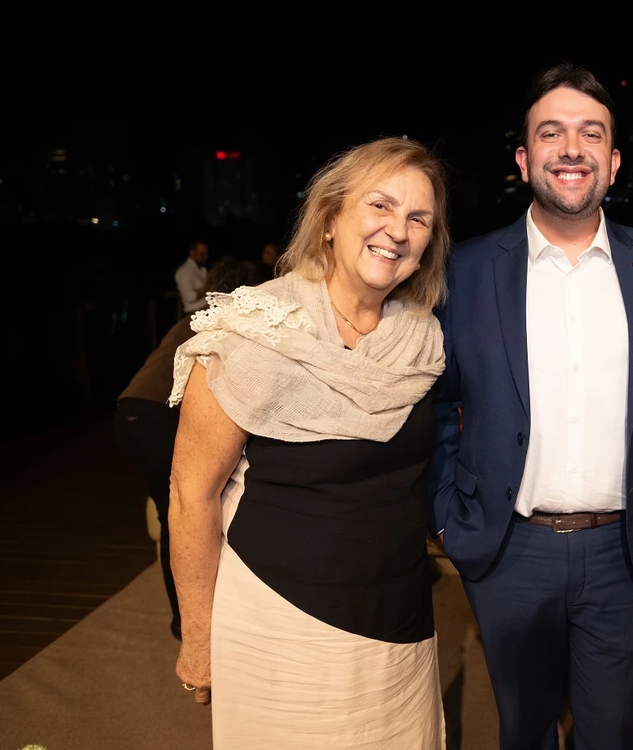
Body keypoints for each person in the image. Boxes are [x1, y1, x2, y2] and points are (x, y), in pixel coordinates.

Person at [429, 61, 633, 750]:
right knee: (522, 730)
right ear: (524, 159)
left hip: (629, 549)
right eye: (551, 134)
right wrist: (450, 517)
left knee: (611, 733)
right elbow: (436, 405)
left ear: (612, 162)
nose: (570, 148)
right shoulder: (464, 270)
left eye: (589, 134)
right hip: (509, 550)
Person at [167, 136, 451, 749]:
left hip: (399, 624)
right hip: (278, 624)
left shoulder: (422, 339)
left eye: (418, 217)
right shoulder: (252, 328)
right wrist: (198, 635)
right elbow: (192, 493)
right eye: (380, 206)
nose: (396, 230)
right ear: (329, 220)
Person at [112, 256, 263, 640]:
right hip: (154, 418)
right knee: (182, 516)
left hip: (127, 414)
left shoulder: (191, 321)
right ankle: (189, 623)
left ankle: (189, 617)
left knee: (171, 514)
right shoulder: (226, 327)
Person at [174, 239, 210, 314]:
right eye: (202, 254)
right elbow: (189, 297)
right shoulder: (185, 271)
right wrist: (209, 286)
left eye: (206, 254)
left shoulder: (203, 269)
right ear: (192, 253)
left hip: (207, 310)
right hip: (194, 313)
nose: (205, 257)